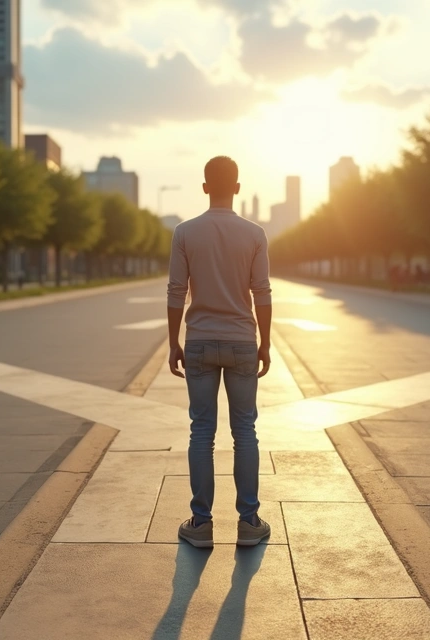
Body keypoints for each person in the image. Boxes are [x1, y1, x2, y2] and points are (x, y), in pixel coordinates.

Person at [167, 156, 273, 549]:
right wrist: (265, 342)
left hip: (199, 341)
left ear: (205, 187)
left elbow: (176, 291)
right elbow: (261, 292)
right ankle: (248, 523)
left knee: (201, 431)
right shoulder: (254, 234)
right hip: (243, 340)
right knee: (245, 431)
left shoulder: (184, 232)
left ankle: (201, 523)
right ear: (238, 188)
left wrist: (173, 341)